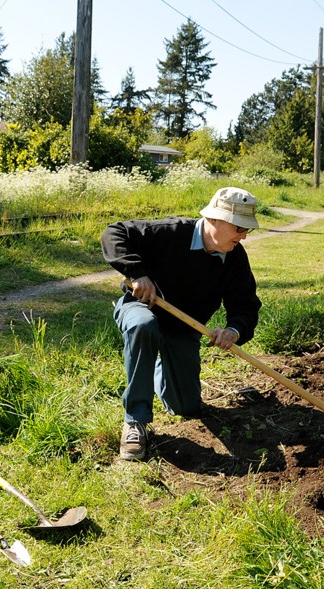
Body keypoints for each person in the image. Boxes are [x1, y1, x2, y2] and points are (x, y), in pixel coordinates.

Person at [101, 187, 262, 461]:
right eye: (239, 227)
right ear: (215, 220)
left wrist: (233, 330)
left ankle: (161, 366)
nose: (244, 235)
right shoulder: (170, 232)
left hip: (184, 328)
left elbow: (245, 305)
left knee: (186, 407)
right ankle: (135, 421)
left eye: (247, 229)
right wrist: (137, 272)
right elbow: (113, 233)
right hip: (142, 308)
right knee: (144, 327)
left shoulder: (235, 258)